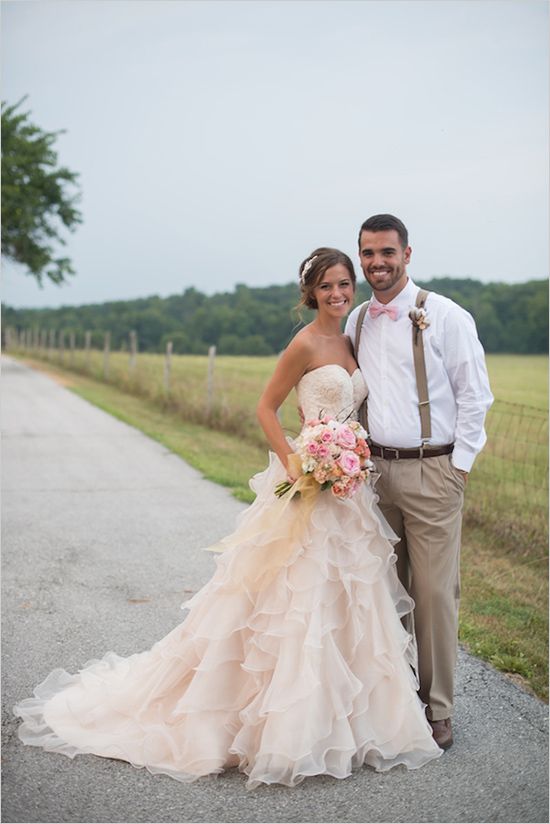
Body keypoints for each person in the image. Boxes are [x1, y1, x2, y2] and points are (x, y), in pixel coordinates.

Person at [14, 247, 442, 790]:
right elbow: (266, 407)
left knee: (350, 599)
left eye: (344, 284)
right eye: (327, 286)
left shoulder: (353, 337)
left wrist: (348, 458)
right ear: (311, 293)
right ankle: (282, 726)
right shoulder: (305, 343)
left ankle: (356, 723)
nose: (338, 294)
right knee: (294, 601)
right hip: (310, 482)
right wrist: (300, 462)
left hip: (349, 490)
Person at [345, 215, 494, 751]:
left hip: (435, 470)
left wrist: (460, 467)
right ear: (359, 257)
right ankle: (395, 697)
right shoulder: (356, 321)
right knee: (384, 591)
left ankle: (438, 708)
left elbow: (476, 395)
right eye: (367, 253)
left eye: (387, 252)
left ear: (408, 254)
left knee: (432, 594)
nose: (377, 263)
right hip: (372, 474)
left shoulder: (447, 316)